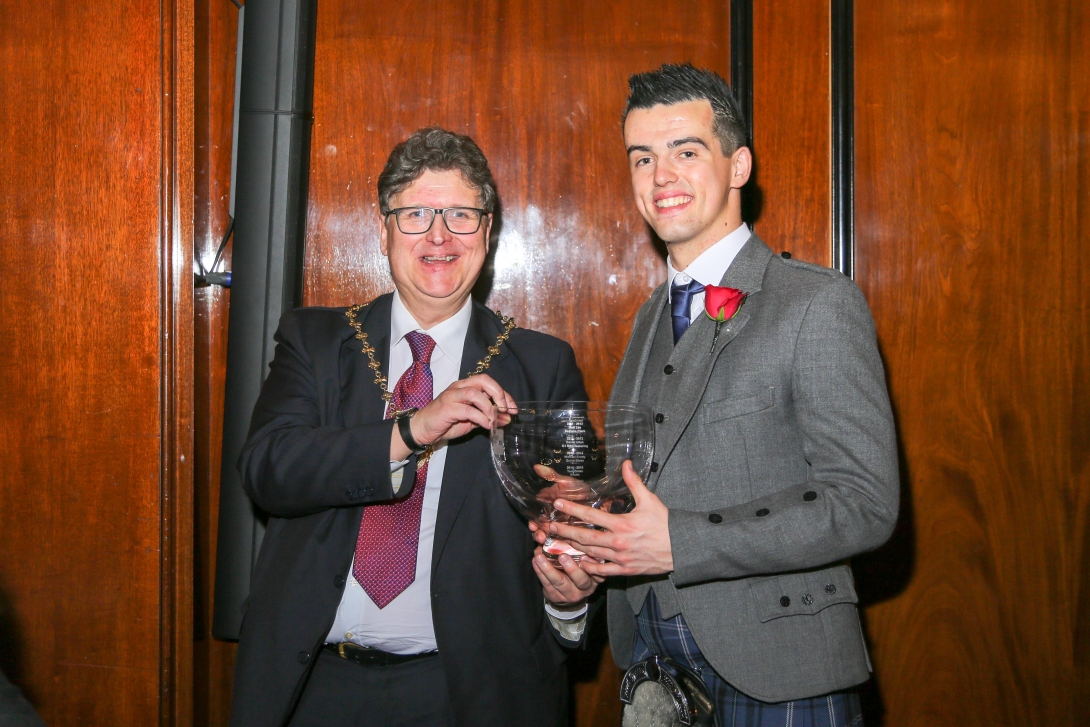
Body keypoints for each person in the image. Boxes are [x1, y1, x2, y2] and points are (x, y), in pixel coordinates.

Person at [532, 63, 900, 725]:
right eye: (642, 157)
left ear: (738, 167)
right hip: (649, 669)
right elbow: (659, 483)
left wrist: (681, 543)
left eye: (686, 151)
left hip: (781, 671)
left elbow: (865, 502)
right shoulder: (648, 317)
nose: (660, 175)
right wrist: (591, 543)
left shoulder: (819, 303)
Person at [229, 127, 590, 727]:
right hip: (313, 686)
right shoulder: (316, 342)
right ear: (383, 231)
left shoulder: (541, 366)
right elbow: (268, 472)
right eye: (416, 214)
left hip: (469, 694)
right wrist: (412, 430)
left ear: (490, 230)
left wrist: (570, 596)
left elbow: (570, 525)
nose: (439, 235)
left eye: (461, 215)